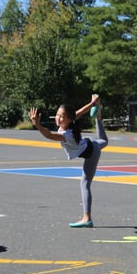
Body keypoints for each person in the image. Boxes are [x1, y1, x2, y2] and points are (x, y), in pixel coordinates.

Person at [29, 94, 107, 228]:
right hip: (89, 144)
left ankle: (87, 218)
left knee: (85, 184)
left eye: (62, 116)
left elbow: (49, 135)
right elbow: (80, 111)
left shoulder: (66, 135)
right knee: (104, 141)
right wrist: (92, 103)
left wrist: (37, 125)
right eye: (58, 115)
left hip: (91, 152)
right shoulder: (70, 122)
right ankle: (98, 117)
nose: (59, 118)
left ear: (69, 119)